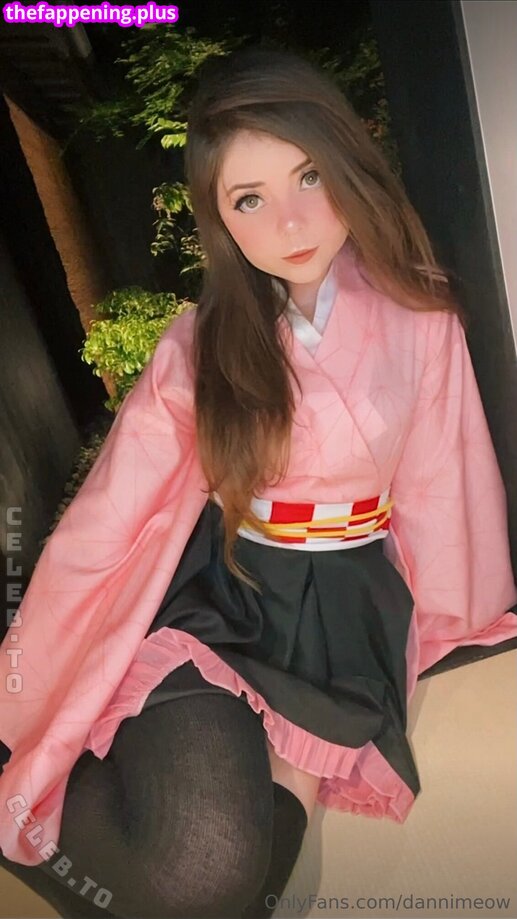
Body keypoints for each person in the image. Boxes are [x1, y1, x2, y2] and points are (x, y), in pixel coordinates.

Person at [1, 44, 517, 919]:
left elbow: (445, 483)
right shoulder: (198, 347)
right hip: (224, 594)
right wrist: (31, 666)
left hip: (345, 612)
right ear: (220, 220)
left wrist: (455, 619)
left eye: (308, 175)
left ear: (346, 163)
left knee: (238, 886)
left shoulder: (421, 313)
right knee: (202, 872)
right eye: (249, 198)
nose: (290, 221)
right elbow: (109, 517)